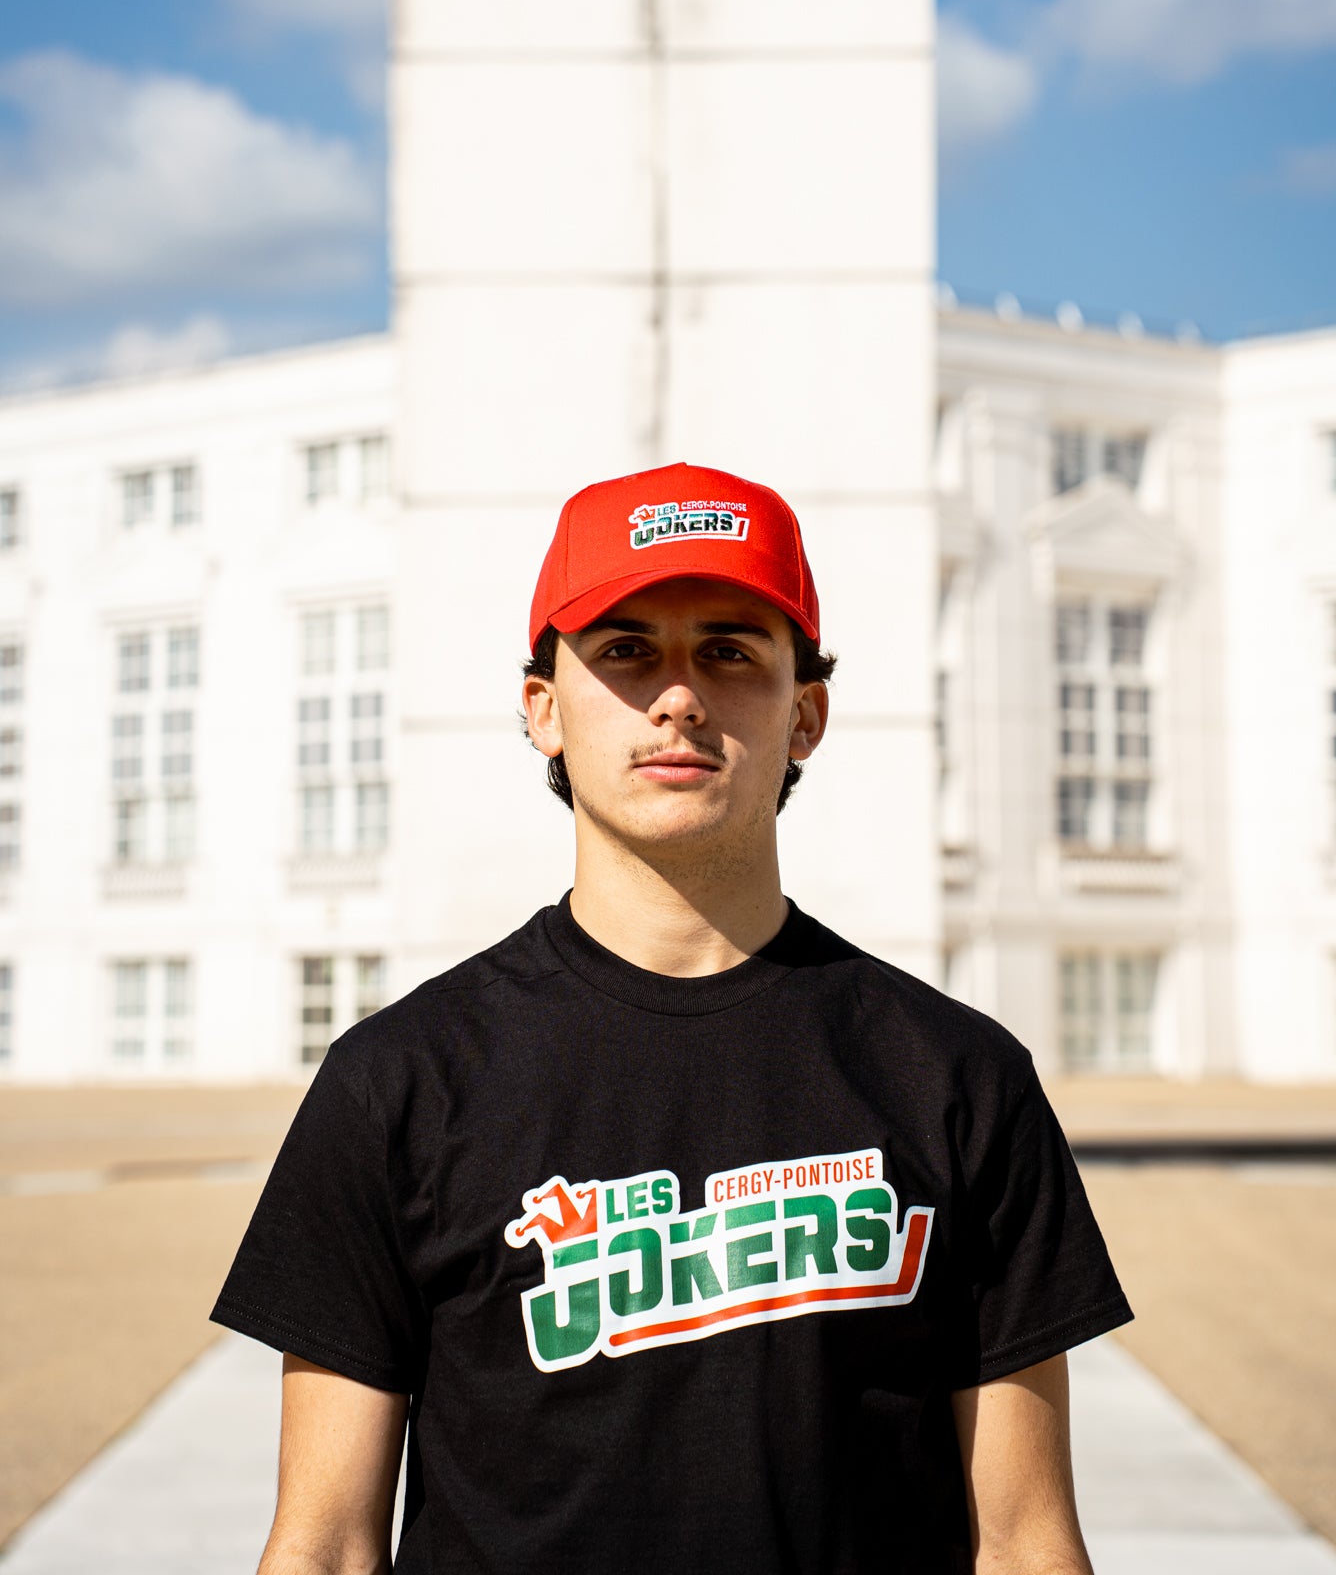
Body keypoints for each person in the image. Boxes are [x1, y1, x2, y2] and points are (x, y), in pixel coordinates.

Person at [213, 461, 1132, 1575]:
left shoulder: (958, 1075)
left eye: (730, 650)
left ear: (807, 714)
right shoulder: (398, 1080)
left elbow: (1027, 1538)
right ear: (543, 709)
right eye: (627, 649)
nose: (679, 695)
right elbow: (323, 1542)